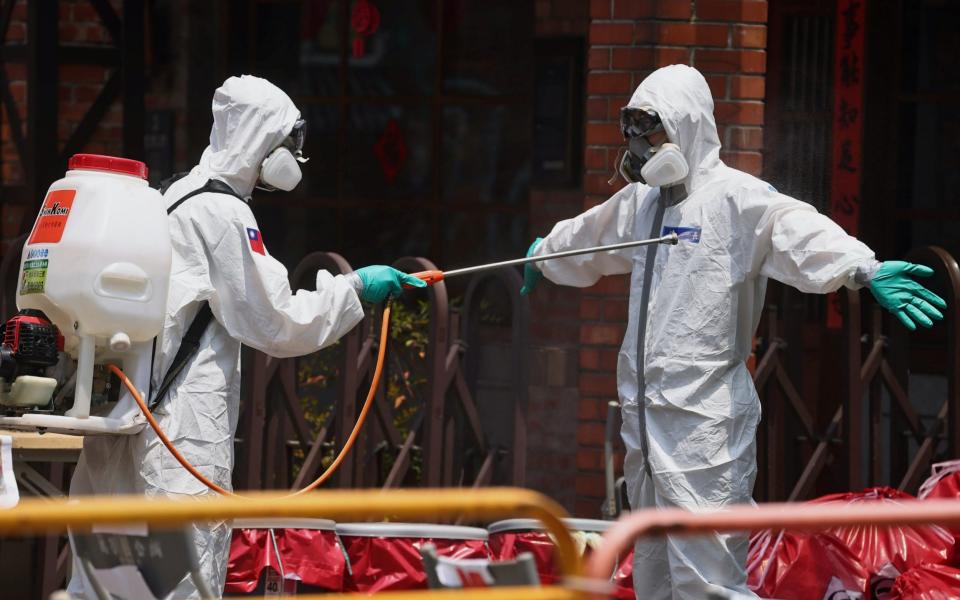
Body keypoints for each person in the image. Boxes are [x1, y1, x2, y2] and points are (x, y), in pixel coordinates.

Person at [520, 64, 946, 599]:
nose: (641, 145)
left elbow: (798, 229)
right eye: (632, 132)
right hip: (646, 420)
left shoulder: (736, 199)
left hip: (705, 426)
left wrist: (862, 268)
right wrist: (543, 255)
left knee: (709, 579)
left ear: (687, 126)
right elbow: (591, 238)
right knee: (653, 572)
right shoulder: (643, 203)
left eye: (652, 131)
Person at [67, 75, 425, 597]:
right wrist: (354, 290)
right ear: (259, 140)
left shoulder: (174, 195)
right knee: (181, 584)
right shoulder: (223, 212)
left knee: (107, 586)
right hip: (178, 438)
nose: (292, 160)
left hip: (124, 426)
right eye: (286, 144)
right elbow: (277, 320)